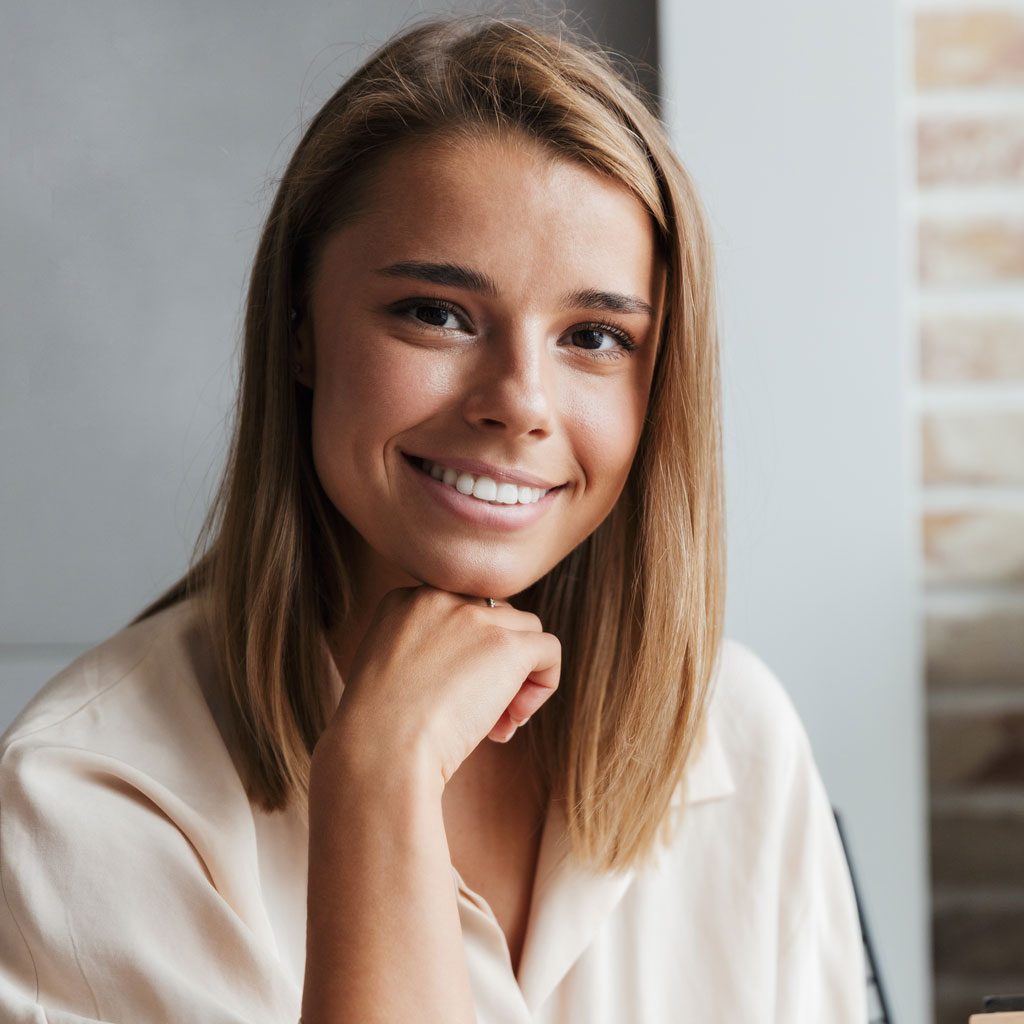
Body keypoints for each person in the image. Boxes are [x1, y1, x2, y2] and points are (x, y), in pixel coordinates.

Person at [0, 13, 868, 1023]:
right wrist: (378, 782)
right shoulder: (86, 800)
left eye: (593, 335)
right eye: (437, 313)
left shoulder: (732, 727)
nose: (520, 401)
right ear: (300, 330)